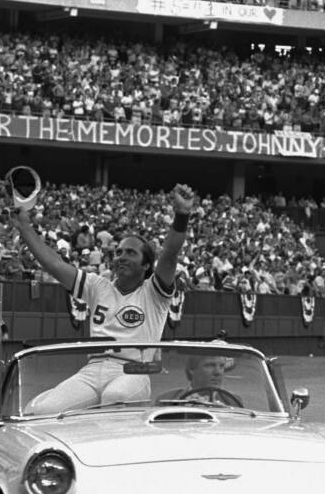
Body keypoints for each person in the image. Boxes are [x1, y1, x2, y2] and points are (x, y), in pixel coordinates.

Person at [11, 177, 194, 413]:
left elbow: (170, 253)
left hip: (134, 370)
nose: (121, 256)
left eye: (131, 253)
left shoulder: (153, 293)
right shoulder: (98, 286)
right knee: (40, 412)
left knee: (115, 396)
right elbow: (55, 265)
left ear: (146, 266)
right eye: (118, 252)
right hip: (92, 368)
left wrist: (182, 214)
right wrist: (24, 227)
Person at [157, 354, 230, 401]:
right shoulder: (166, 399)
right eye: (210, 365)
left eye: (222, 366)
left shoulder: (233, 402)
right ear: (191, 369)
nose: (218, 372)